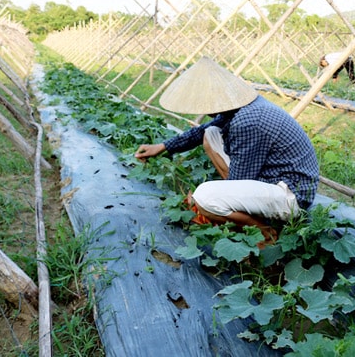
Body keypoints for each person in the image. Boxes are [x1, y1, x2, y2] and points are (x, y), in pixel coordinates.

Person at [135, 57, 319, 246]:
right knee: (210, 133)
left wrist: (204, 203)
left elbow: (239, 179)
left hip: (291, 194)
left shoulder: (247, 122)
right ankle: (237, 212)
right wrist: (163, 146)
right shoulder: (242, 107)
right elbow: (202, 131)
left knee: (204, 197)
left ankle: (265, 234)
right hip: (275, 177)